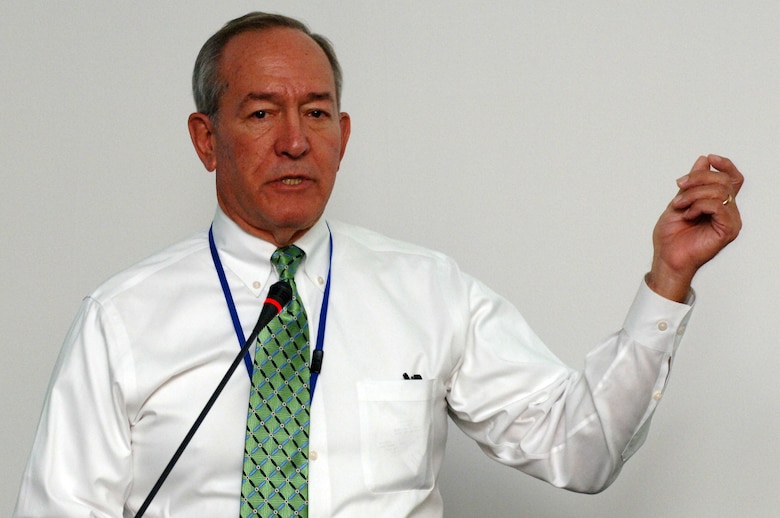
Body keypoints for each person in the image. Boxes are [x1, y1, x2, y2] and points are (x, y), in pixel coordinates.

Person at [13, 11, 743, 518]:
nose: (296, 141)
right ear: (207, 140)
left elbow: (580, 449)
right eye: (263, 113)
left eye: (319, 113)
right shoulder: (121, 319)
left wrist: (667, 279)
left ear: (344, 133)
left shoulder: (428, 292)